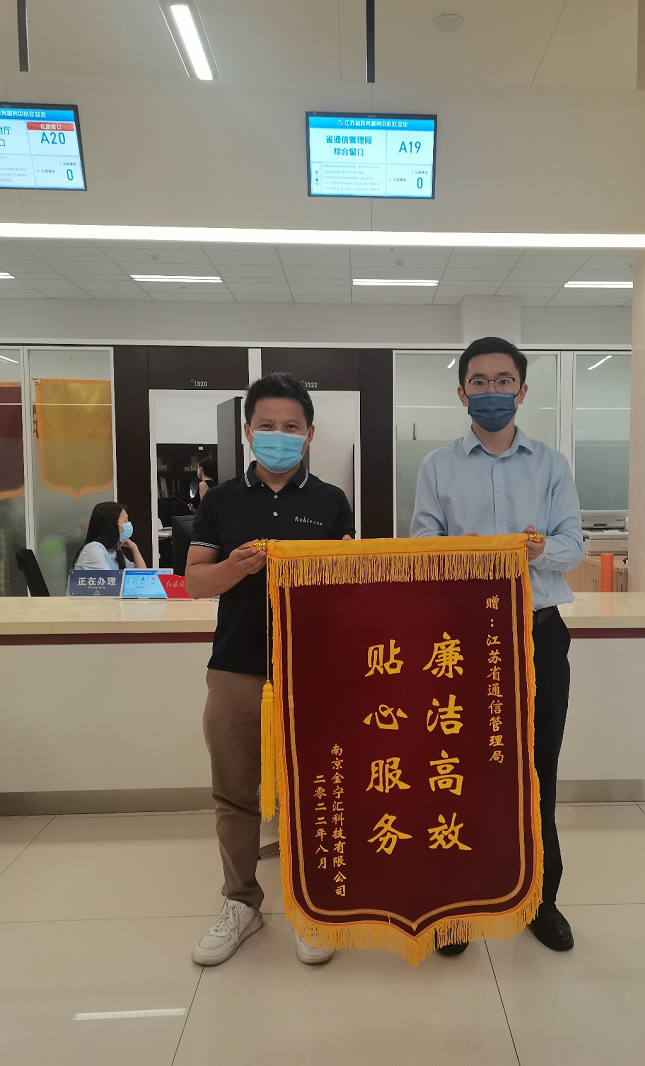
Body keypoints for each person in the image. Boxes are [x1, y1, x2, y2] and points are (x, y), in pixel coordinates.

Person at [411, 336, 585, 956]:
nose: (491, 391)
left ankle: (541, 897)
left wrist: (538, 549)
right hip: (460, 637)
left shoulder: (551, 465)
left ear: (522, 390)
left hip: (538, 632)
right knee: (460, 770)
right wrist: (464, 555)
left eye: (502, 381)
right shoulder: (437, 467)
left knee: (537, 767)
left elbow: (574, 544)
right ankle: (458, 901)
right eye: (479, 382)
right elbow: (422, 549)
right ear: (462, 394)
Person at [185, 372, 355, 968]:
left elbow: (348, 585)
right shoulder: (220, 501)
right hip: (236, 666)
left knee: (315, 788)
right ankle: (241, 904)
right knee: (234, 791)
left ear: (309, 433)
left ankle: (312, 905)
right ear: (247, 431)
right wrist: (235, 567)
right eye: (266, 425)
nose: (278, 435)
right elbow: (194, 582)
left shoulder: (331, 501)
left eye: (290, 426)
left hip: (312, 669)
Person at [72, 501, 146, 571]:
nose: (128, 524)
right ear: (112, 525)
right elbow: (108, 579)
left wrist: (134, 548)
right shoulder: (94, 549)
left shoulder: (114, 552)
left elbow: (142, 576)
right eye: (125, 520)